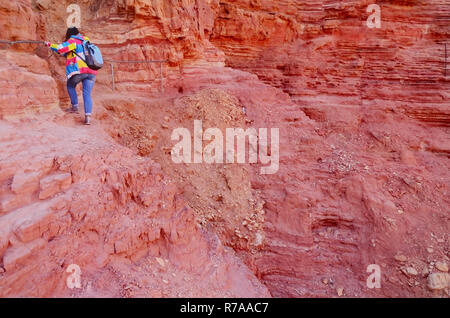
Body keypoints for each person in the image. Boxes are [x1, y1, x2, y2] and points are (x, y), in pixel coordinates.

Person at [45, 27, 98, 125]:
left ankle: (75, 107)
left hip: (80, 70)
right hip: (92, 71)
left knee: (70, 85)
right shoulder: (86, 40)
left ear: (69, 34)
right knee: (87, 94)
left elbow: (60, 48)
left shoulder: (73, 40)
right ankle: (88, 117)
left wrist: (49, 44)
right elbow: (70, 53)